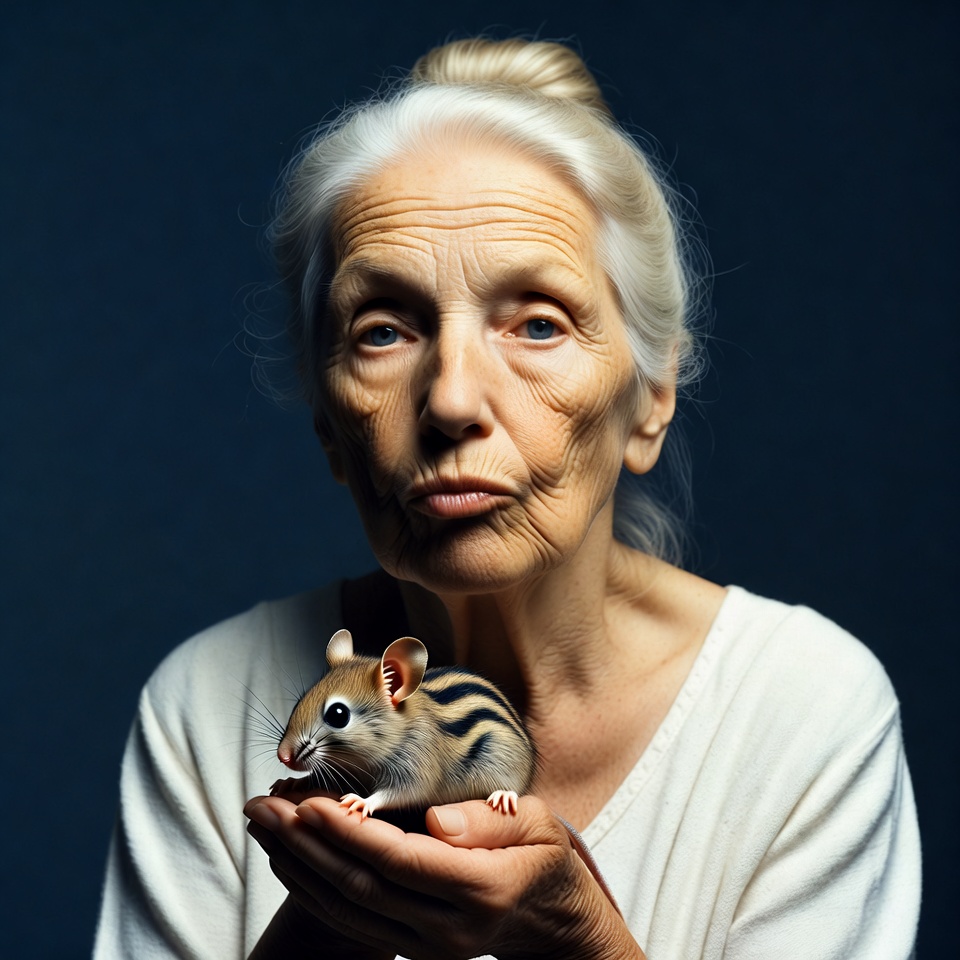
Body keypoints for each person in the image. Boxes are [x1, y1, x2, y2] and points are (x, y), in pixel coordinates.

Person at [93, 37, 921, 960]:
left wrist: (580, 941)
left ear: (650, 399)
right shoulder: (206, 704)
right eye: (383, 330)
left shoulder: (803, 710)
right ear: (329, 424)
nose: (449, 400)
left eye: (537, 322)